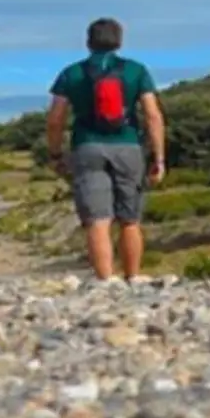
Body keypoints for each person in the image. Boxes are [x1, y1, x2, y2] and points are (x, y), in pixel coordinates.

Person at [45, 17, 166, 282]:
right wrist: (159, 157)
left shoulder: (71, 73)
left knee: (98, 220)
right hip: (129, 147)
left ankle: (105, 281)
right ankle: (132, 277)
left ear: (88, 41)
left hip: (87, 147)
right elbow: (152, 115)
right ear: (119, 41)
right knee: (130, 219)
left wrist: (55, 154)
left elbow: (55, 119)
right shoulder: (136, 71)